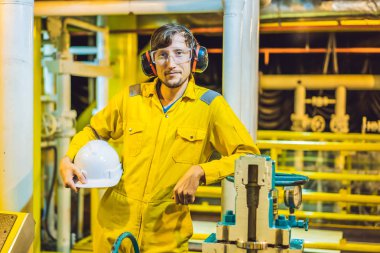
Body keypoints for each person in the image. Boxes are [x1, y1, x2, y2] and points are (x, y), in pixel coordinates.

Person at [60, 23, 260, 253]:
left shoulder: (211, 106)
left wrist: (201, 172)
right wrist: (69, 157)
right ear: (151, 62)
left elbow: (248, 156)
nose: (171, 63)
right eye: (162, 55)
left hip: (165, 234)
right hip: (113, 227)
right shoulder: (131, 98)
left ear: (195, 58)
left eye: (179, 53)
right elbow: (93, 131)